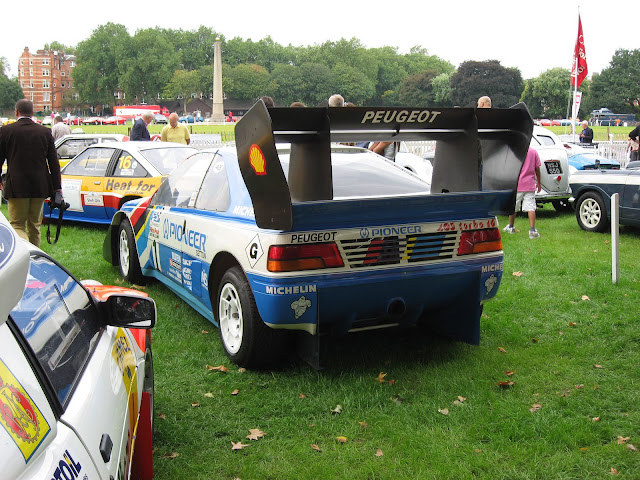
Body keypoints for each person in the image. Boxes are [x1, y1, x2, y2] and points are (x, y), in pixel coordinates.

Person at [0, 99, 62, 247]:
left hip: (17, 185)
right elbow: (54, 163)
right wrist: (57, 187)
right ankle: (36, 257)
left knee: (17, 225)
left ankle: (26, 252)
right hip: (39, 185)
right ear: (32, 113)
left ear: (16, 112)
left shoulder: (6, 131)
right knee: (34, 225)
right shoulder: (45, 132)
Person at [503, 147, 542, 239]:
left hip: (517, 184)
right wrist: (539, 183)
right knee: (531, 206)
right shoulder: (533, 152)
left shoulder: (515, 151)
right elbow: (537, 168)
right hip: (529, 184)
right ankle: (532, 230)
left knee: (513, 206)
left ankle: (511, 226)